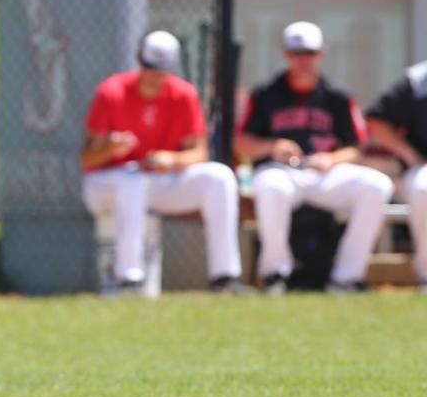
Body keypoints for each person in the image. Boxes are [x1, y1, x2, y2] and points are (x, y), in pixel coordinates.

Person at [80, 30, 245, 295]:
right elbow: (86, 159)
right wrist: (110, 147)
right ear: (139, 61)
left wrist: (172, 159)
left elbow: (199, 153)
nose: (155, 76)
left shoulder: (183, 94)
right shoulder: (111, 92)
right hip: (106, 184)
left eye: (161, 70)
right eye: (150, 68)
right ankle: (129, 278)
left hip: (158, 181)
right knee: (130, 180)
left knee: (220, 177)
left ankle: (224, 277)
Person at [235, 21, 394, 295]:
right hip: (281, 171)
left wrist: (332, 159)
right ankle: (275, 274)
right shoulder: (265, 94)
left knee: (377, 185)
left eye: (309, 53)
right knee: (271, 186)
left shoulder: (337, 96)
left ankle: (347, 278)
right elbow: (241, 142)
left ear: (322, 54)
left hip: (325, 174)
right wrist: (273, 146)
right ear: (286, 54)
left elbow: (357, 147)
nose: (303, 60)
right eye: (297, 53)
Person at [365, 61, 427, 293]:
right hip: (423, 167)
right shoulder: (419, 79)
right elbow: (376, 119)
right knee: (425, 187)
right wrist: (411, 155)